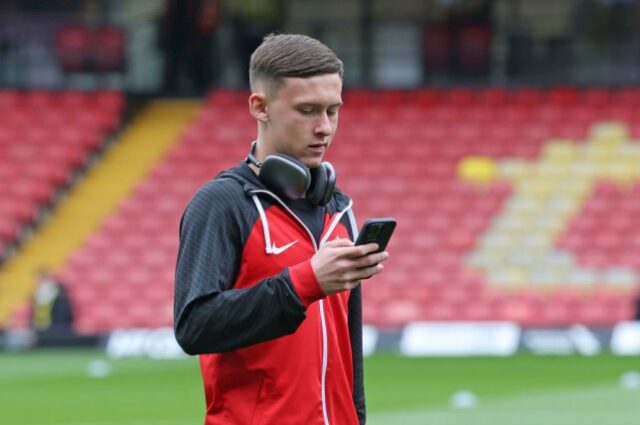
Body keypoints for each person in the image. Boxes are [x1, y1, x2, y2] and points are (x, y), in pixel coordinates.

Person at [174, 33, 390, 424]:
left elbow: (349, 354)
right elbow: (194, 326)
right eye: (307, 110)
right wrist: (303, 283)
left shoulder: (338, 207)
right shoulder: (221, 204)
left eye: (333, 110)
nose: (324, 127)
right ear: (260, 107)